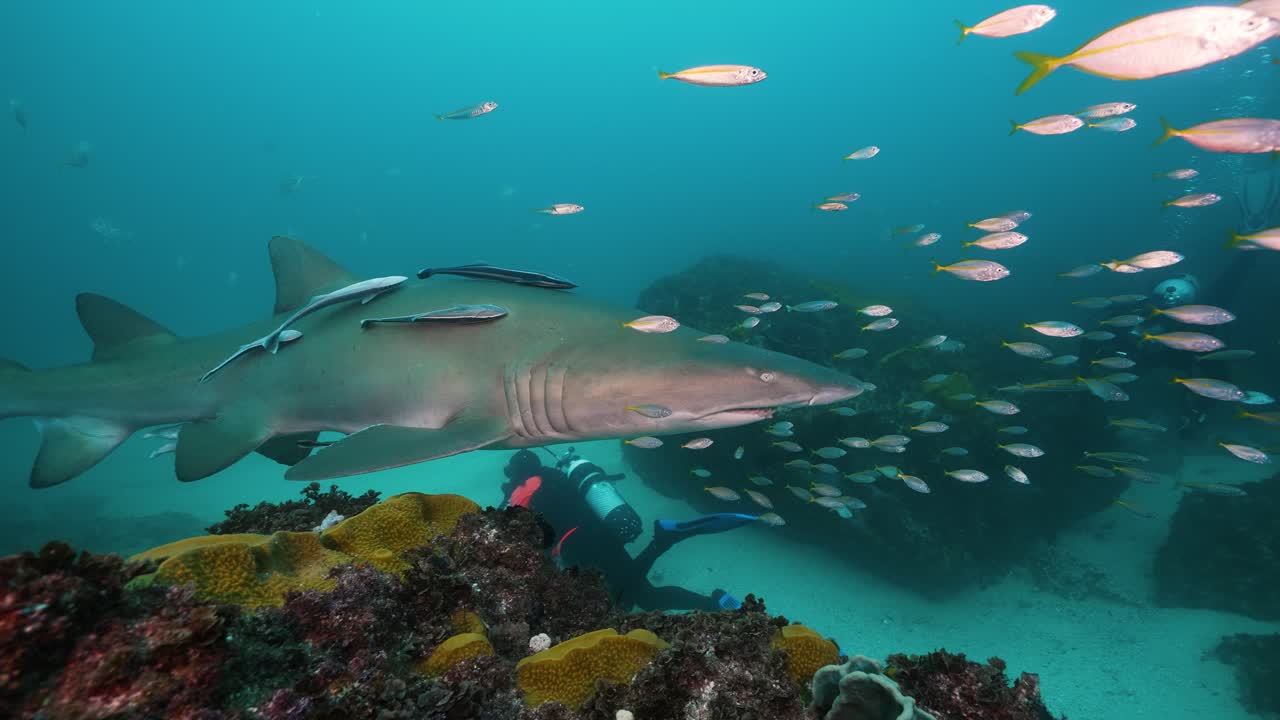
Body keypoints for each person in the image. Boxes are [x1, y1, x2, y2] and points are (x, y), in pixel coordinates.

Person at [500, 447, 750, 612]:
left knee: (624, 602)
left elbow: (528, 539)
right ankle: (715, 603)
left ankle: (663, 540)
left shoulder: (519, 493)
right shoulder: (555, 474)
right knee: (643, 595)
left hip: (575, 546)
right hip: (600, 531)